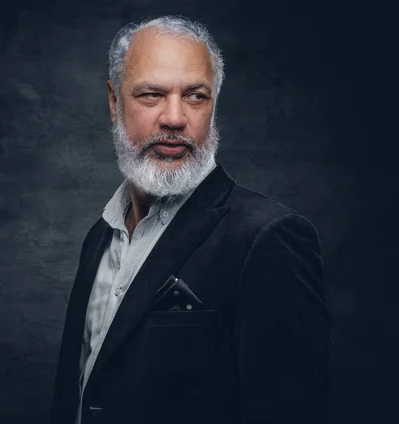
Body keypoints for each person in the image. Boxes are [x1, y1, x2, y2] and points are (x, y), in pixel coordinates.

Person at [51, 15, 332, 424]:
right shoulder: (100, 238)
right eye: (151, 95)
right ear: (114, 102)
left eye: (196, 96)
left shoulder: (269, 238)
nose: (175, 118)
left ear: (214, 104)